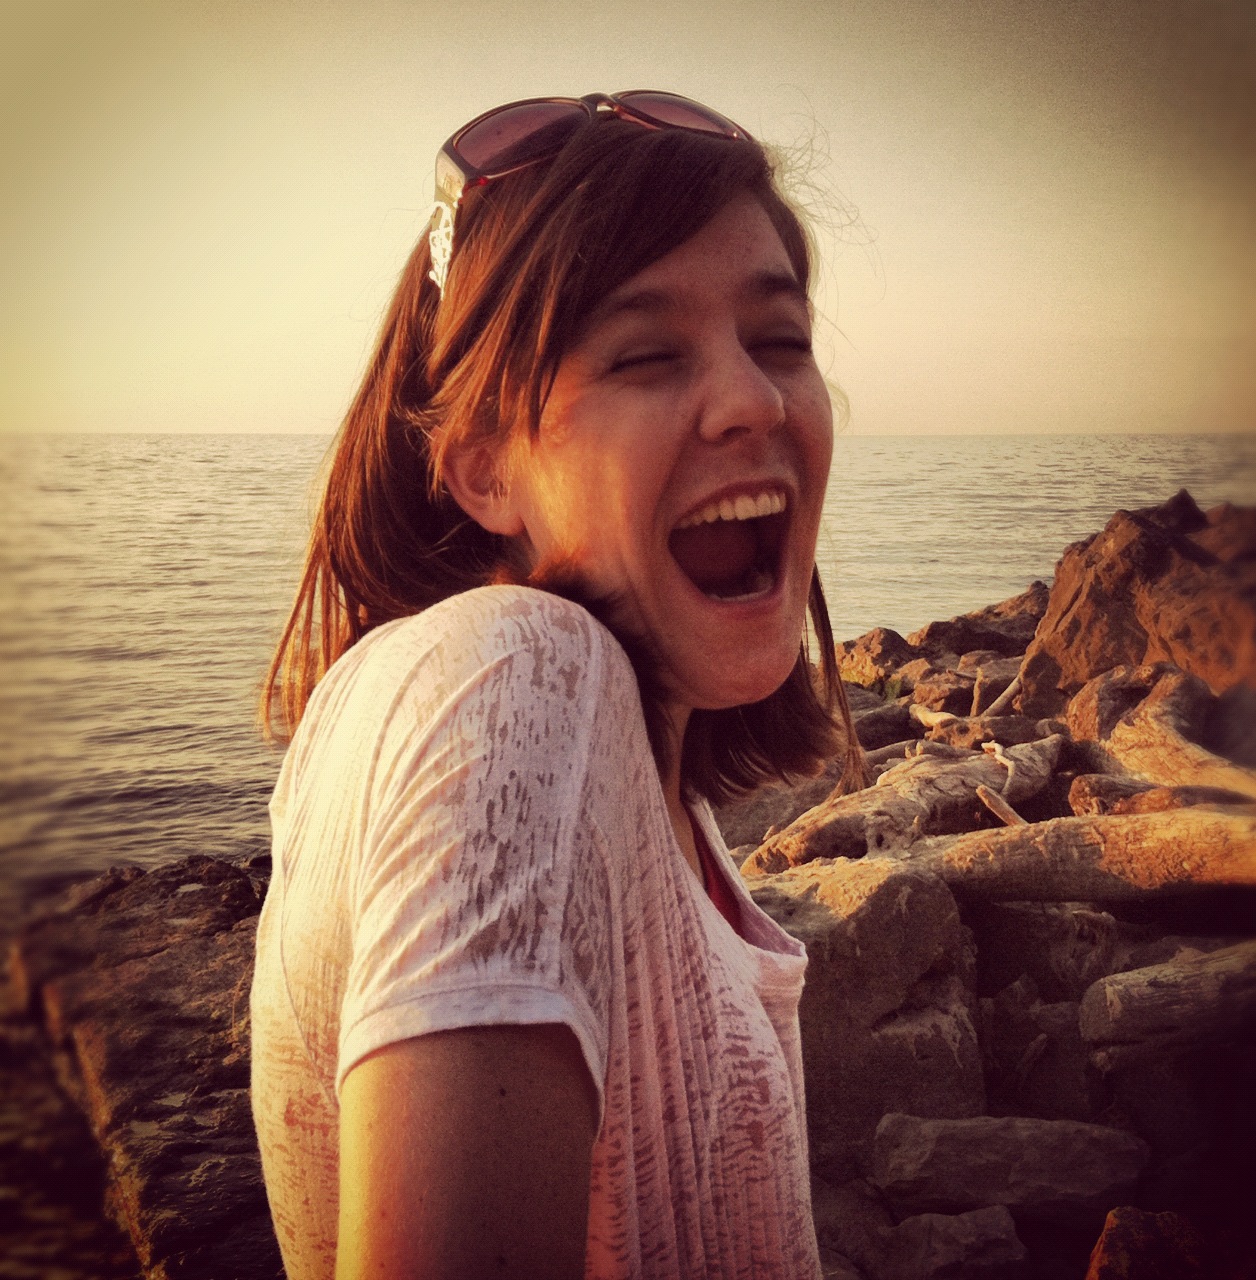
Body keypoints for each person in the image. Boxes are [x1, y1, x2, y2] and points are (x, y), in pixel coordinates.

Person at [250, 90, 864, 1280]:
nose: (754, 397)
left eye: (779, 339)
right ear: (484, 469)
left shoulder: (625, 769)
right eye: (645, 354)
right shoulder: (519, 676)